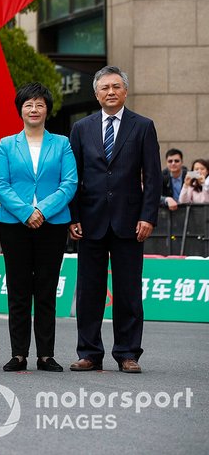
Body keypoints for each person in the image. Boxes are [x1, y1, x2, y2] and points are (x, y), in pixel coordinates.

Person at [68, 66, 161, 374]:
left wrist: (148, 216)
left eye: (116, 86)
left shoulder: (143, 126)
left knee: (129, 292)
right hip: (90, 222)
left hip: (130, 221)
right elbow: (74, 177)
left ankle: (127, 353)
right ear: (96, 94)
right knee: (89, 292)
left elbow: (152, 176)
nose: (110, 91)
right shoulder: (81, 128)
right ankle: (90, 353)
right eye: (105, 87)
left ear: (125, 91)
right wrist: (74, 216)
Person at [0, 83, 77, 373]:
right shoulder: (6, 144)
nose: (34, 109)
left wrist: (43, 210)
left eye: (40, 104)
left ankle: (45, 355)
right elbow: (0, 184)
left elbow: (69, 183)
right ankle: (18, 354)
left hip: (52, 224)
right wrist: (27, 211)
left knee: (45, 289)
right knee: (17, 289)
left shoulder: (62, 144)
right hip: (14, 224)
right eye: (29, 104)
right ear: (21, 109)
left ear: (47, 110)